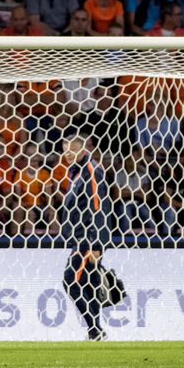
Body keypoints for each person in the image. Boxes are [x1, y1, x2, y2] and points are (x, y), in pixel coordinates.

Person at [60, 135, 112, 341]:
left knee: (70, 280)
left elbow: (98, 206)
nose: (67, 155)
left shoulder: (91, 170)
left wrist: (95, 243)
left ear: (83, 150)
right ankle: (95, 331)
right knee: (88, 283)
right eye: (65, 151)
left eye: (72, 151)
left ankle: (95, 329)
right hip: (80, 237)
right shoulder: (76, 172)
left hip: (87, 239)